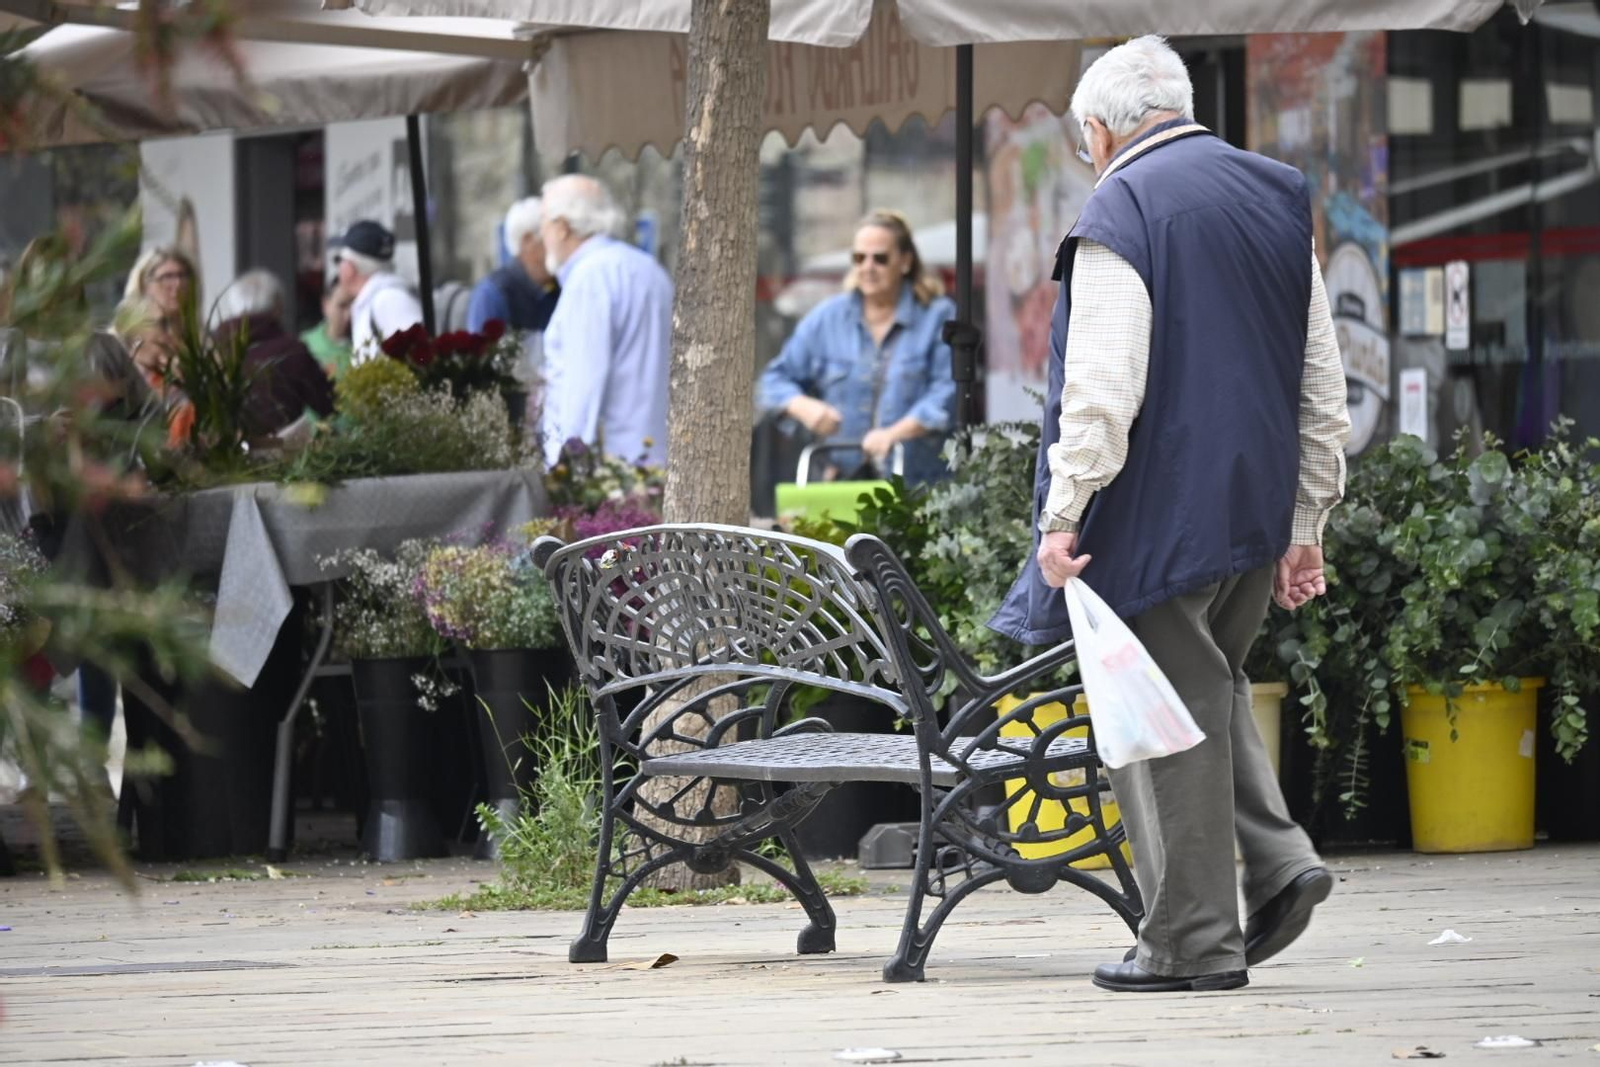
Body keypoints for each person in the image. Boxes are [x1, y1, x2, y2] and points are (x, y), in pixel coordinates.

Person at [989, 37, 1352, 994]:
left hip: (1153, 515)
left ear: (1098, 131)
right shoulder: (1277, 192)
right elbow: (1323, 379)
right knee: (1209, 688)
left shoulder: (1124, 203)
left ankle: (1191, 942)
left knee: (1153, 727)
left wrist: (1063, 511)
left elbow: (1103, 383)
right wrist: (1307, 517)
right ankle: (1277, 865)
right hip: (1253, 510)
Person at [757, 210, 957, 485]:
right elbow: (772, 381)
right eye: (859, 258)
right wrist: (803, 406)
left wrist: (893, 434)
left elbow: (946, 394)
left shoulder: (937, 315)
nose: (868, 267)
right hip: (839, 484)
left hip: (916, 488)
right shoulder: (827, 318)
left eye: (880, 258)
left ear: (905, 261)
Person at [538, 175, 672, 467]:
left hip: (611, 474)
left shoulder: (590, 278)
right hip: (658, 462)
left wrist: (567, 471)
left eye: (544, 223)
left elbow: (583, 383)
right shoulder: (649, 269)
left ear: (562, 228)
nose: (541, 235)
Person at [213, 269, 335, 438]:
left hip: (225, 456)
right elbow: (328, 403)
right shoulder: (292, 351)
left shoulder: (215, 348)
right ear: (277, 306)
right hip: (281, 456)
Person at [467, 196, 561, 337]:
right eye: (550, 236)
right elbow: (482, 355)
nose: (559, 244)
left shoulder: (559, 286)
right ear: (527, 240)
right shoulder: (492, 294)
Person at [331, 220, 423, 360]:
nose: (338, 269)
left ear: (350, 267)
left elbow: (421, 358)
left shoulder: (389, 299)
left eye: (339, 260)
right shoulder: (375, 299)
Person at [301, 278, 354, 380]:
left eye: (354, 306)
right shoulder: (306, 345)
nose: (348, 315)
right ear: (325, 305)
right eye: (342, 306)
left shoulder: (366, 346)